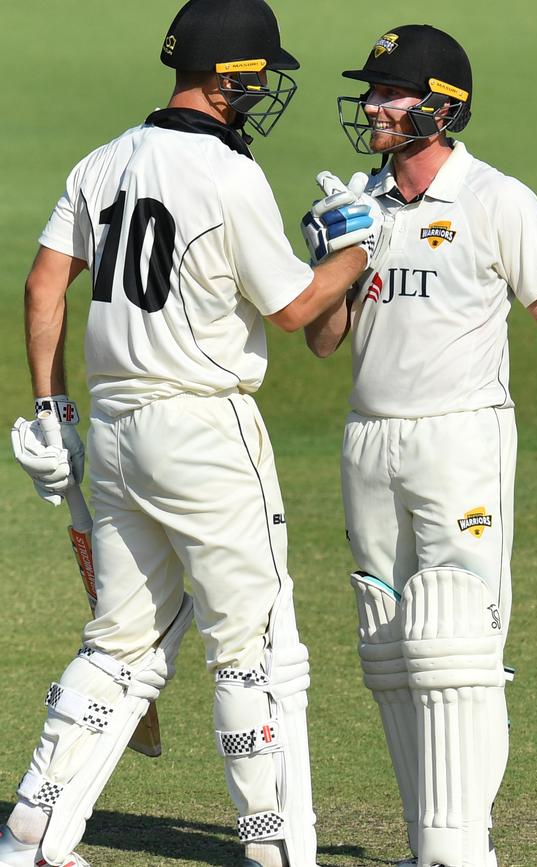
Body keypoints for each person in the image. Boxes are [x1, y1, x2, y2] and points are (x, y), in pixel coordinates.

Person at [2, 2, 387, 866]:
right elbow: (294, 311)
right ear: (229, 79)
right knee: (255, 648)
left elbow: (41, 288)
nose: (267, 86)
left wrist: (51, 411)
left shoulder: (102, 161)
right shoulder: (226, 174)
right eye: (260, 73)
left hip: (113, 431)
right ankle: (275, 843)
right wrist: (358, 247)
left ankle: (33, 830)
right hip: (207, 432)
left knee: (119, 642)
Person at [301, 24, 537, 867]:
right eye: (371, 91)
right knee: (387, 640)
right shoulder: (363, 200)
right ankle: (428, 842)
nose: (373, 104)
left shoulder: (495, 200)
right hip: (368, 438)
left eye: (390, 92)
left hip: (459, 437)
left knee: (456, 642)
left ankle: (462, 848)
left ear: (442, 109)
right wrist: (336, 259)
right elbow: (325, 342)